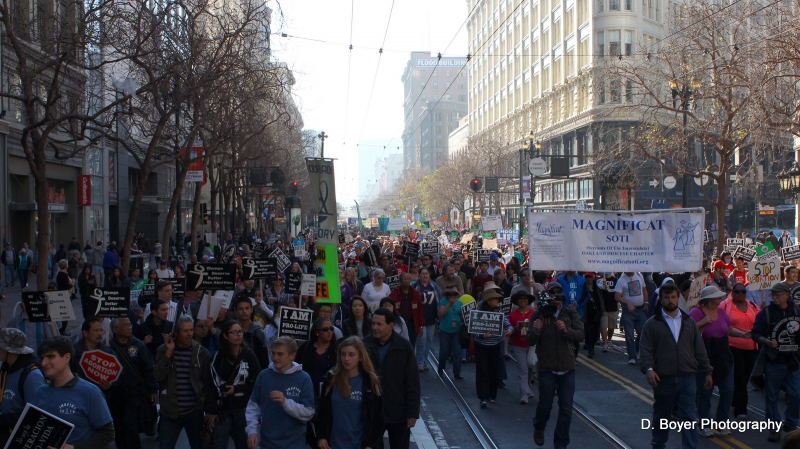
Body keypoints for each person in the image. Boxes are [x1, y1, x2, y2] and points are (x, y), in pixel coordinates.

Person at [639, 283, 712, 449]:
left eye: (673, 297)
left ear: (678, 298)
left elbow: (699, 349)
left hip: (687, 377)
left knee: (688, 417)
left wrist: (707, 371)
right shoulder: (652, 324)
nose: (670, 300)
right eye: (666, 297)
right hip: (663, 378)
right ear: (661, 299)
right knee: (662, 416)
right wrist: (649, 369)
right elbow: (645, 350)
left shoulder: (689, 322)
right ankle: (658, 444)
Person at [527, 283, 584, 448]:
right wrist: (536, 331)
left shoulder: (570, 313)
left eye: (559, 293)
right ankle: (539, 426)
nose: (556, 296)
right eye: (552, 293)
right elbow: (530, 340)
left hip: (567, 368)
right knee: (545, 404)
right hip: (547, 368)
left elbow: (580, 335)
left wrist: (567, 331)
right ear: (548, 295)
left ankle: (561, 444)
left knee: (566, 409)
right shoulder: (539, 314)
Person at [32, 336, 115, 447]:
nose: (43, 363)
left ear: (66, 358)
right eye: (42, 358)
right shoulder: (40, 392)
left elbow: (108, 434)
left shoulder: (90, 392)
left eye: (50, 357)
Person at [689, 285, 747, 437]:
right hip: (705, 358)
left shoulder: (721, 312)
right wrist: (701, 323)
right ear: (708, 300)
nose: (719, 298)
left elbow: (728, 329)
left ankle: (722, 421)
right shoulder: (696, 312)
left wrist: (743, 334)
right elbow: (686, 330)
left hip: (723, 357)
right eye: (716, 296)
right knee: (705, 393)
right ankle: (704, 424)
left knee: (728, 390)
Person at [363, 309, 420, 449]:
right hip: (372, 410)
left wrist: (412, 413)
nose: (375, 327)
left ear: (390, 326)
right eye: (373, 323)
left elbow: (412, 381)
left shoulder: (404, 346)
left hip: (397, 411)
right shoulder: (365, 344)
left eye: (379, 324)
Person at [245, 336, 315, 449]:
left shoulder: (303, 378)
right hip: (267, 443)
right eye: (273, 353)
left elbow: (309, 412)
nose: (275, 357)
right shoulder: (264, 376)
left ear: (292, 355)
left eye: (280, 354)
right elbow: (253, 407)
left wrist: (286, 403)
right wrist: (252, 431)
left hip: (294, 443)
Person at [751, 282, 800, 442]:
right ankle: (774, 428)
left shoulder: (796, 311)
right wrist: (767, 341)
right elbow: (755, 333)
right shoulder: (766, 313)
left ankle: (791, 423)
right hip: (774, 361)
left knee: (796, 394)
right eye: (773, 295)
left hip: (793, 360)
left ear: (787, 295)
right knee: (771, 397)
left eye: (778, 295)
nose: (775, 298)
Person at [154, 315, 210, 449]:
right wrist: (168, 354)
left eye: (191, 330)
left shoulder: (201, 352)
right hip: (170, 412)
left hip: (194, 411)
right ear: (176, 333)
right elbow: (157, 376)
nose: (190, 334)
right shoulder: (163, 349)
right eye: (185, 331)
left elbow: (208, 382)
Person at [317, 336, 384, 449]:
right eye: (343, 354)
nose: (346, 359)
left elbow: (378, 418)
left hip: (359, 444)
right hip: (333, 444)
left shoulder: (369, 383)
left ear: (360, 357)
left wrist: (371, 444)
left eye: (351, 355)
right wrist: (321, 436)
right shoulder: (331, 379)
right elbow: (323, 410)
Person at [203, 320, 261, 449]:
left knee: (243, 444)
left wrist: (237, 389)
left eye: (240, 332)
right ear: (225, 336)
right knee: (219, 444)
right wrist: (212, 410)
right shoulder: (216, 358)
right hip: (222, 410)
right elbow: (209, 385)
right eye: (234, 332)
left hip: (244, 408)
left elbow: (258, 382)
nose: (238, 335)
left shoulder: (249, 355)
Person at [109, 317, 158, 449]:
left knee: (130, 425)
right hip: (116, 394)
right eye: (125, 325)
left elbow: (149, 368)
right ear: (115, 329)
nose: (129, 327)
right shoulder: (109, 347)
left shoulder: (138, 345)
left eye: (129, 324)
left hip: (135, 393)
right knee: (119, 426)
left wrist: (153, 390)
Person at [0, 328, 47, 447]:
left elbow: (36, 414)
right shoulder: (5, 369)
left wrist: (4, 420)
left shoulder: (31, 376)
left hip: (17, 440)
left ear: (9, 350)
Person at [298, 318, 338, 447]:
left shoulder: (337, 348)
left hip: (330, 393)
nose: (329, 332)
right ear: (316, 332)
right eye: (325, 329)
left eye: (331, 329)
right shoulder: (306, 348)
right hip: (310, 393)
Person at [722, 282, 760, 419]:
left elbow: (760, 320)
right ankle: (740, 409)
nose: (740, 294)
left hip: (751, 346)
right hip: (733, 345)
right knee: (739, 376)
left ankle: (735, 399)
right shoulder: (726, 305)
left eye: (743, 291)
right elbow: (720, 320)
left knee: (745, 377)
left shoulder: (752, 305)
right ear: (732, 292)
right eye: (737, 291)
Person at [473, 289, 514, 408]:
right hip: (481, 345)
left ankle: (492, 394)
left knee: (493, 370)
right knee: (482, 371)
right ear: (489, 301)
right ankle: (482, 397)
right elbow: (474, 327)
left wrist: (510, 329)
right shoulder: (478, 311)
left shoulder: (499, 311)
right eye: (495, 299)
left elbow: (506, 322)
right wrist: (482, 335)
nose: (498, 301)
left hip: (494, 345)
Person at [71, 317, 115, 392]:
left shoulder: (108, 353)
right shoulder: (73, 353)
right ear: (85, 333)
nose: (100, 333)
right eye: (96, 330)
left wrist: (111, 385)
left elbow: (118, 377)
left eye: (101, 330)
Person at [614, 271, 648, 364]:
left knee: (642, 331)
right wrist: (627, 303)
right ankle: (632, 356)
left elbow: (644, 289)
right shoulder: (621, 280)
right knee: (629, 335)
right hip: (628, 311)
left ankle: (637, 350)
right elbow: (617, 296)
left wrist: (646, 303)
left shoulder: (640, 275)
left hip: (640, 309)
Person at [508, 291, 535, 403]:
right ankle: (524, 393)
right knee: (523, 369)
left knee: (530, 367)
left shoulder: (534, 313)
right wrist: (515, 329)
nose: (523, 301)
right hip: (518, 345)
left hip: (531, 345)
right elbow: (509, 330)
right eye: (520, 299)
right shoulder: (512, 315)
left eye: (525, 298)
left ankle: (527, 388)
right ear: (517, 301)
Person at [415, 268, 442, 371]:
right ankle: (419, 362)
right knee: (421, 340)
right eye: (423, 274)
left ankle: (425, 361)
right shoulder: (415, 286)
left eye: (426, 273)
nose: (425, 276)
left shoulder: (434, 286)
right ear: (419, 275)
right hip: (420, 318)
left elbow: (439, 298)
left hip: (431, 317)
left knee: (429, 341)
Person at [233, 297, 270, 370]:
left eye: (247, 308)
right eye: (240, 309)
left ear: (252, 310)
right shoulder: (230, 332)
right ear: (235, 311)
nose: (244, 311)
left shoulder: (259, 333)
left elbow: (264, 360)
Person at [388, 273, 424, 346]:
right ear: (400, 281)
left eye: (408, 279)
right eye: (404, 279)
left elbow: (420, 310)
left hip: (412, 324)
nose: (406, 281)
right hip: (398, 323)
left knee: (411, 345)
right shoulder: (394, 294)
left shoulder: (416, 294)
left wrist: (420, 326)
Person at [437, 285, 464, 379]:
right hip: (445, 330)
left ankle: (457, 372)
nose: (452, 296)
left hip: (456, 331)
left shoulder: (460, 303)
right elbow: (441, 314)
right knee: (444, 351)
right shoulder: (443, 302)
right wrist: (449, 304)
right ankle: (441, 368)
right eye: (450, 294)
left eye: (454, 294)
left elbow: (462, 316)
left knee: (457, 352)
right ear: (447, 295)